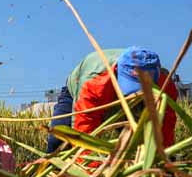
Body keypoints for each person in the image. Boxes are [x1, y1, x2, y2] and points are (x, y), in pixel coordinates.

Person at [46, 47, 178, 153]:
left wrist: (164, 159)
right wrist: (89, 175)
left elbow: (165, 125)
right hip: (79, 92)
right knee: (58, 138)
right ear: (118, 72)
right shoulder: (95, 83)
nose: (136, 94)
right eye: (133, 88)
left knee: (136, 143)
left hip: (130, 100)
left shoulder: (165, 86)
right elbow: (83, 130)